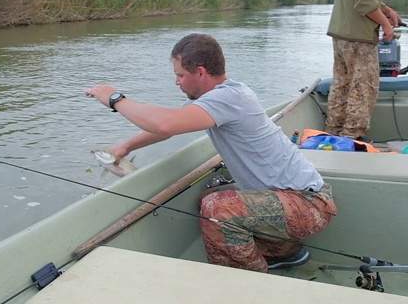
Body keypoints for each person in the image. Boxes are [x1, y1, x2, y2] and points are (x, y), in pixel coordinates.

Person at [85, 33, 337, 272]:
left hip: (309, 205)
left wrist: (115, 99)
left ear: (201, 72)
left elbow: (165, 123)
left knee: (217, 209)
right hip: (294, 197)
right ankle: (284, 251)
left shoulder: (228, 98)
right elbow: (167, 129)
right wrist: (125, 147)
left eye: (180, 75)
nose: (176, 81)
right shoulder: (218, 97)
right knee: (209, 195)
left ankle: (245, 280)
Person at [326, 0, 402, 139]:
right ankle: (352, 137)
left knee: (341, 84)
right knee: (363, 88)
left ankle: (333, 132)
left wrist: (387, 11)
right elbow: (364, 2)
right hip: (359, 37)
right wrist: (386, 26)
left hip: (341, 34)